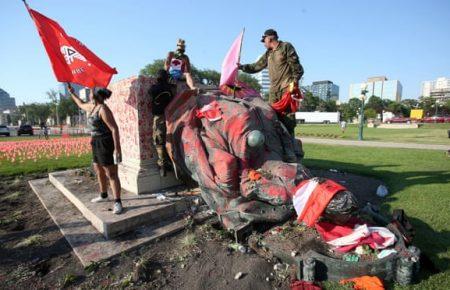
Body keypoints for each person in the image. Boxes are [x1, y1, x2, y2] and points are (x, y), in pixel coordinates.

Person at [67, 83, 123, 214]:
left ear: (96, 95)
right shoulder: (92, 107)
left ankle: (118, 202)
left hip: (105, 142)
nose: (89, 93)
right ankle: (103, 195)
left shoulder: (103, 109)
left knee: (111, 174)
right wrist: (71, 93)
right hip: (95, 142)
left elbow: (114, 129)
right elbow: (80, 104)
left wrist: (117, 148)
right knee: (98, 170)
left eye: (91, 91)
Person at [238, 29, 304, 135]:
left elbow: (298, 69)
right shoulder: (268, 53)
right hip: (274, 90)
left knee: (288, 119)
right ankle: (277, 145)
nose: (264, 43)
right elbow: (256, 66)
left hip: (286, 88)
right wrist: (242, 67)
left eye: (264, 40)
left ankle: (291, 144)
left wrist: (293, 83)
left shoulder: (285, 47)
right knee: (272, 117)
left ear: (270, 38)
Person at [149, 69, 175, 177]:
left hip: (159, 117)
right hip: (170, 117)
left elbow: (150, 92)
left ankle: (163, 165)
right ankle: (170, 163)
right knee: (169, 140)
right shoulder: (170, 88)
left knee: (159, 141)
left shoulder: (154, 88)